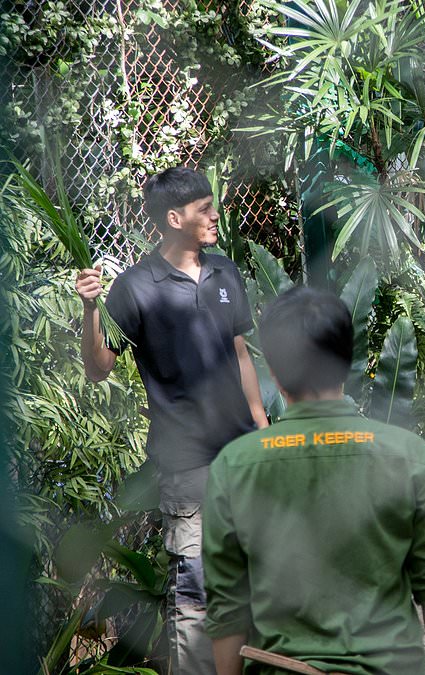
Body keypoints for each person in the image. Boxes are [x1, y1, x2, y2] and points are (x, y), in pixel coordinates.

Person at [202, 286, 425, 675]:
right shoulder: (409, 457)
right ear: (346, 361)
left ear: (273, 370)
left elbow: (227, 611)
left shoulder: (234, 466)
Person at [75, 167, 268, 672]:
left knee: (257, 576)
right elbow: (98, 369)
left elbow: (241, 354)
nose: (215, 215)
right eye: (205, 208)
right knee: (197, 591)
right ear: (173, 218)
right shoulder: (136, 287)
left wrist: (263, 430)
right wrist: (91, 308)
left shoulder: (226, 272)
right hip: (187, 464)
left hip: (244, 454)